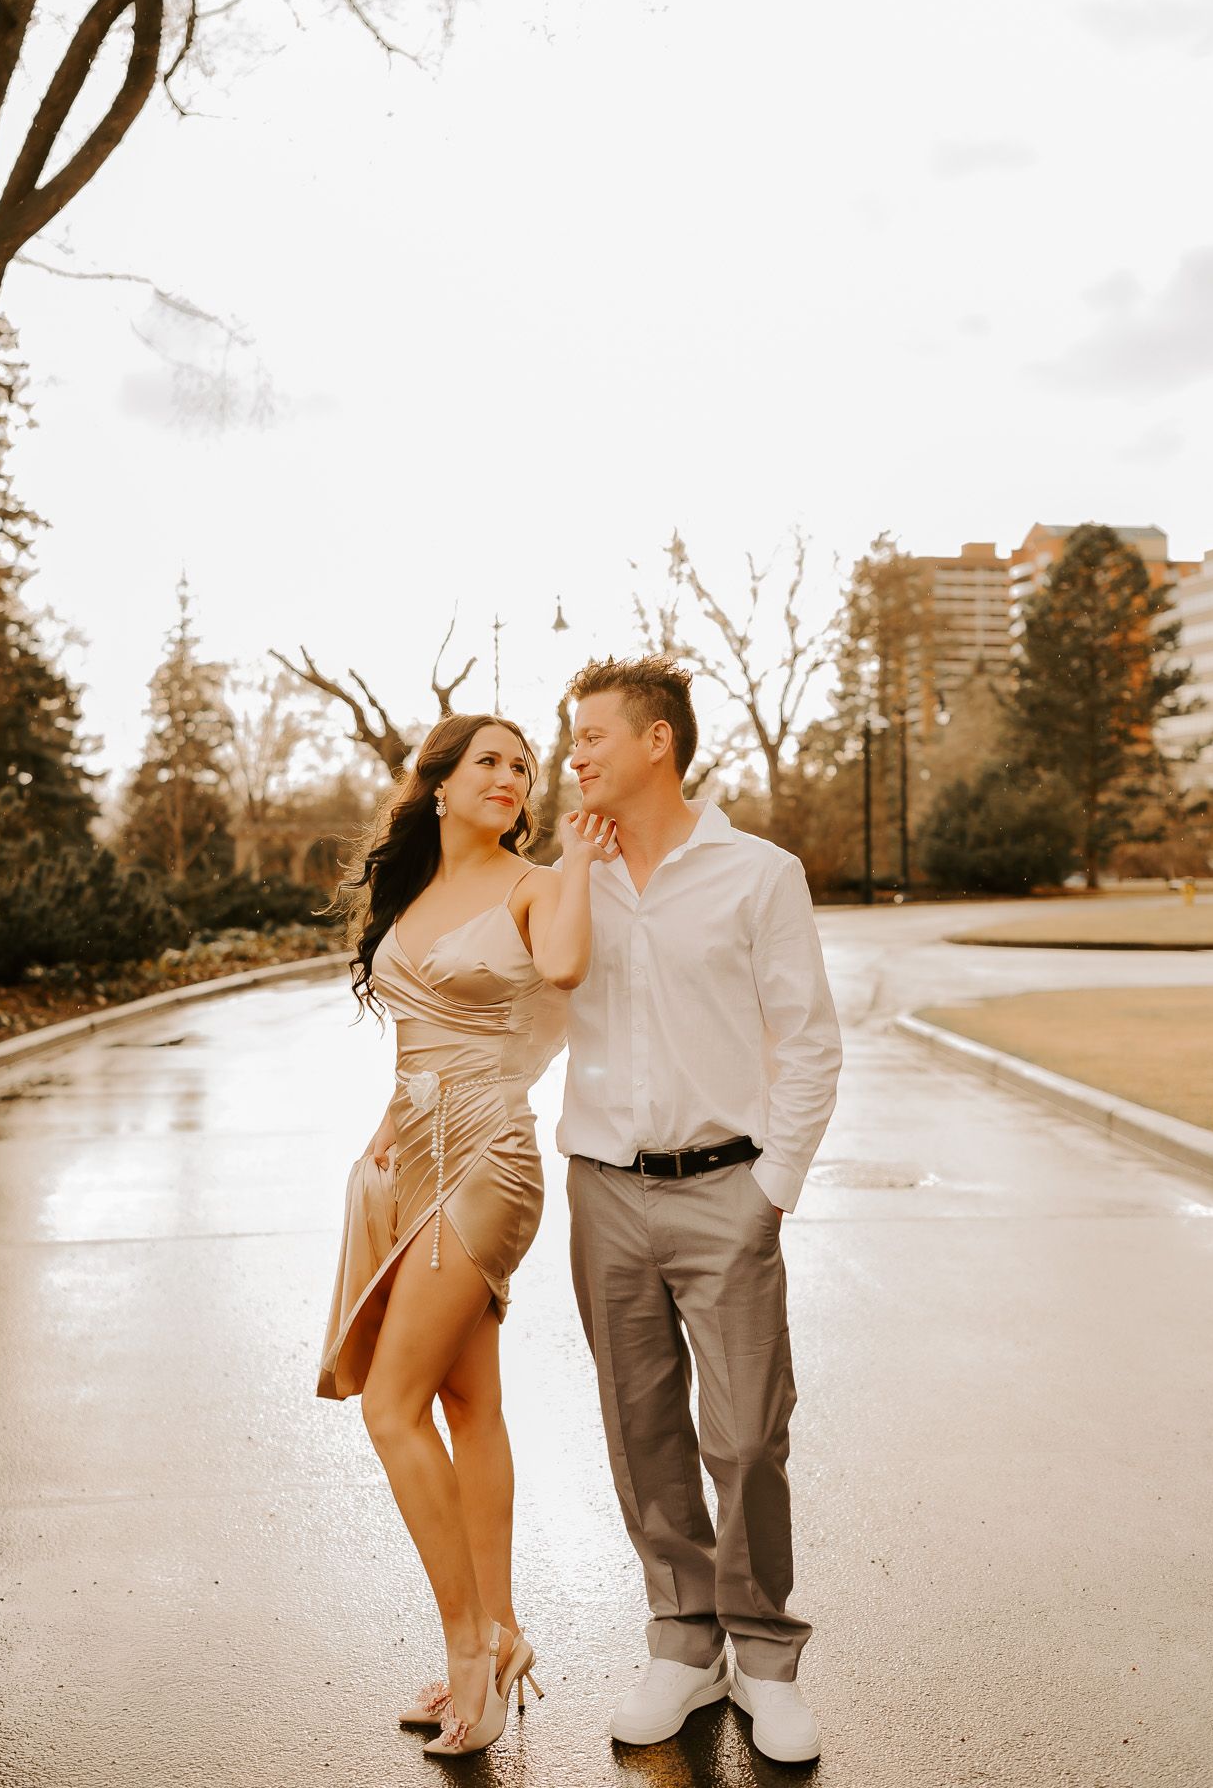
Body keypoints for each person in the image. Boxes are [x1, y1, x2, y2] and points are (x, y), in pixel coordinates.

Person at [559, 655, 843, 1766]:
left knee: (744, 1435)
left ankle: (765, 1654)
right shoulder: (566, 870)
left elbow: (810, 1039)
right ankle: (682, 1643)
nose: (572, 754)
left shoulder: (758, 873)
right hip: (604, 1190)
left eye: (588, 735)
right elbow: (517, 1014)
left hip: (728, 1186)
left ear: (655, 743)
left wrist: (771, 1186)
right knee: (644, 1431)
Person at [316, 712, 616, 1757]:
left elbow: (568, 966)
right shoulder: (410, 894)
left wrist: (576, 855)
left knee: (392, 1406)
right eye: (489, 759)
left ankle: (467, 1657)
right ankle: (503, 1625)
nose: (512, 774)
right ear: (436, 782)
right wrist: (381, 1144)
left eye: (523, 765)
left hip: (491, 1156)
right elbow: (412, 1043)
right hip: (416, 1161)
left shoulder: (534, 882)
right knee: (464, 1399)